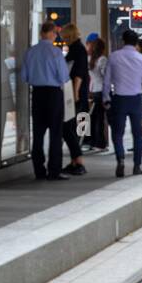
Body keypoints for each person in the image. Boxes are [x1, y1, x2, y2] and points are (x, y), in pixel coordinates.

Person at [104, 29, 142, 177]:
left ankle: (121, 159)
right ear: (136, 43)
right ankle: (137, 166)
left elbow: (106, 81)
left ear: (123, 41)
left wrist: (106, 98)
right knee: (137, 133)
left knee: (117, 132)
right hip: (136, 99)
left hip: (119, 99)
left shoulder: (114, 57)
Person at [21, 22, 70, 181]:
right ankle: (54, 171)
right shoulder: (56, 53)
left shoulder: (30, 52)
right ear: (49, 33)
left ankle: (39, 170)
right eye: (55, 33)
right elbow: (64, 77)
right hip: (54, 95)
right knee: (56, 134)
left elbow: (24, 77)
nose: (56, 36)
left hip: (37, 94)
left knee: (38, 134)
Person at [59, 24, 88, 175]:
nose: (63, 39)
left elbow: (79, 73)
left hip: (74, 94)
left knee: (68, 128)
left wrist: (75, 93)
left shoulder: (78, 50)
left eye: (64, 36)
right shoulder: (77, 49)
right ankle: (75, 161)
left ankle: (78, 162)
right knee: (71, 129)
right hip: (73, 92)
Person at [85, 34, 109, 152]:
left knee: (92, 118)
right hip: (100, 91)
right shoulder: (102, 60)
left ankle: (91, 142)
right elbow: (106, 77)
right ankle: (100, 143)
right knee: (100, 119)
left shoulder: (89, 59)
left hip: (92, 90)